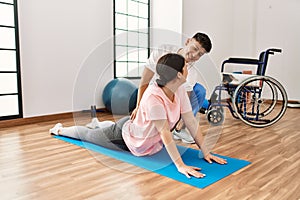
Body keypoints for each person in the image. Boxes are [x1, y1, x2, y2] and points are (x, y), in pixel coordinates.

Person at [50, 53, 227, 179]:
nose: (188, 68)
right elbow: (165, 132)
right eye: (185, 66)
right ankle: (59, 129)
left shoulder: (179, 88)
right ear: (179, 74)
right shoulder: (153, 96)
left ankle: (99, 124)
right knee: (87, 135)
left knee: (101, 129)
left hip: (142, 133)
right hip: (126, 137)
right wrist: (180, 166)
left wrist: (206, 152)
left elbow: (189, 120)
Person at [130, 32, 212, 144]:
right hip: (155, 93)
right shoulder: (163, 51)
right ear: (188, 41)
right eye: (194, 48)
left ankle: (178, 129)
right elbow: (145, 81)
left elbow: (185, 100)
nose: (194, 55)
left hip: (174, 96)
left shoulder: (191, 72)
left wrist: (179, 121)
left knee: (200, 91)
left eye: (200, 54)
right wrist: (138, 106)